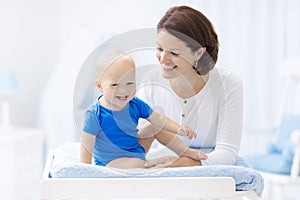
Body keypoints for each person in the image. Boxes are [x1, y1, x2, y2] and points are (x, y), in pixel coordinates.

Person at [137, 5, 244, 168]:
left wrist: (179, 163)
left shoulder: (228, 84)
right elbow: (138, 142)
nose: (163, 59)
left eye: (174, 53)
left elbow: (227, 153)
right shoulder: (151, 81)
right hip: (163, 166)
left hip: (208, 168)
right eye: (160, 49)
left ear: (198, 53)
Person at [80, 50, 207, 169]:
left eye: (129, 83)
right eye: (114, 85)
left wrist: (178, 129)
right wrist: (85, 170)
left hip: (135, 149)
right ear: (100, 86)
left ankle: (184, 151)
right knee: (138, 163)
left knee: (155, 125)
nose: (123, 90)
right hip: (111, 162)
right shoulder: (95, 114)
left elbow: (158, 118)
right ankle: (148, 165)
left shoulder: (134, 103)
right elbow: (86, 145)